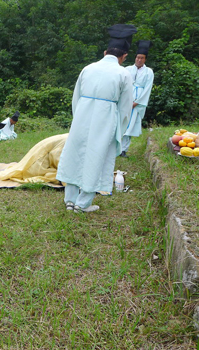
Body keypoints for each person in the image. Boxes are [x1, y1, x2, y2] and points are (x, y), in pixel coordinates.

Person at [56, 24, 136, 213]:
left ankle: (70, 200)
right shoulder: (123, 73)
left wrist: (79, 119)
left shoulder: (87, 68)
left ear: (105, 52)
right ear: (124, 56)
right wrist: (120, 129)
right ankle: (82, 204)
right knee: (96, 157)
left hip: (82, 117)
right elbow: (125, 108)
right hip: (105, 120)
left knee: (75, 155)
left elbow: (76, 98)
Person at [121, 40, 154, 158]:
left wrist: (136, 102)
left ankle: (123, 149)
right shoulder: (127, 69)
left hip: (137, 100)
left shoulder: (148, 72)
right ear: (135, 58)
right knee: (121, 123)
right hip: (125, 98)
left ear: (145, 59)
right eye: (137, 57)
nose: (139, 60)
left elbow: (147, 89)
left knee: (130, 126)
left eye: (142, 58)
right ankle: (115, 147)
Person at [0, 133, 68, 184]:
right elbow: (57, 157)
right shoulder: (68, 142)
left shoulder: (69, 137)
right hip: (39, 160)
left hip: (41, 152)